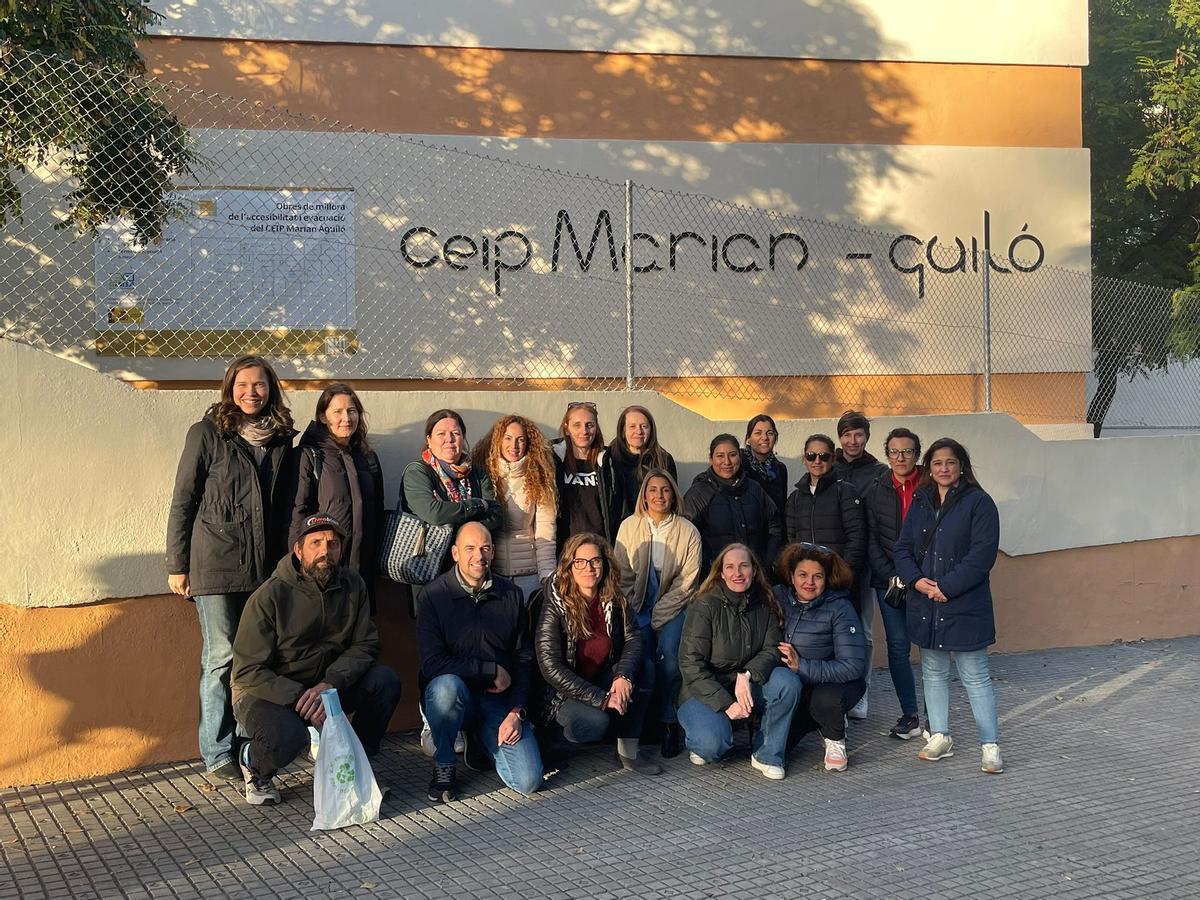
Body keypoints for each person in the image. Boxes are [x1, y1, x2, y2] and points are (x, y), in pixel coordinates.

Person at [166, 354, 296, 780]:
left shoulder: (279, 438)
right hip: (216, 565)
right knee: (220, 658)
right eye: (242, 385)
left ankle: (248, 740)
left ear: (270, 389)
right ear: (229, 389)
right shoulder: (206, 434)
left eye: (259, 385)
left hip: (263, 569)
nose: (250, 393)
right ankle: (217, 751)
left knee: (254, 659)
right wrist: (177, 563)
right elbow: (184, 500)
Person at [231, 514, 402, 805]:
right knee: (286, 738)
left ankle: (356, 763)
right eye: (316, 543)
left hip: (326, 686)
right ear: (298, 551)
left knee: (384, 682)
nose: (325, 551)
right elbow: (248, 670)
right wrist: (300, 696)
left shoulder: (353, 585)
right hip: (267, 691)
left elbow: (366, 645)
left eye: (333, 544)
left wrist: (329, 684)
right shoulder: (269, 596)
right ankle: (251, 762)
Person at [894, 437, 1003, 774]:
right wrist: (917, 581)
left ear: (961, 466)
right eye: (937, 463)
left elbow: (982, 556)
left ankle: (990, 744)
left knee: (975, 675)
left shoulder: (979, 503)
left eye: (950, 463)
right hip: (927, 603)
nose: (943, 468)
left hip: (964, 604)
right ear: (929, 466)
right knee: (933, 671)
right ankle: (940, 735)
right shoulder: (921, 501)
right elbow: (903, 549)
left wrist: (947, 588)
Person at [418, 522, 544, 803]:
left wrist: (517, 711)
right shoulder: (432, 596)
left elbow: (524, 659)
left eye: (485, 548)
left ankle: (479, 742)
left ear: (494, 551)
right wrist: (488, 671)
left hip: (496, 702)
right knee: (446, 688)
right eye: (470, 548)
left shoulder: (511, 594)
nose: (479, 556)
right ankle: (445, 764)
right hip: (452, 697)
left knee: (528, 781)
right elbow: (431, 663)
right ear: (454, 553)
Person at [532, 533, 662, 775]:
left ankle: (627, 751)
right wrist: (602, 699)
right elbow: (550, 666)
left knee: (644, 669)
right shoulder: (554, 602)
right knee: (594, 724)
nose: (588, 568)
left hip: (598, 676)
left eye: (595, 561)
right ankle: (550, 741)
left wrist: (623, 676)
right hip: (560, 693)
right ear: (569, 566)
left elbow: (634, 637)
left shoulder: (613, 596)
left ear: (604, 564)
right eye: (579, 562)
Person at [677, 544, 801, 780]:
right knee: (713, 747)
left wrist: (747, 675)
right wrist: (726, 704)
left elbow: (772, 648)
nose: (738, 573)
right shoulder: (704, 606)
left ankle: (767, 754)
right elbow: (691, 665)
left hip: (746, 682)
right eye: (730, 567)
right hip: (703, 689)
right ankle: (701, 737)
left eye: (744, 566)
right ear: (721, 573)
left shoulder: (765, 603)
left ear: (754, 570)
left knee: (788, 681)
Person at [613, 469, 702, 758]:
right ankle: (641, 727)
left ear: (673, 494)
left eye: (665, 490)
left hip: (675, 605)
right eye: (653, 489)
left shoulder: (688, 531)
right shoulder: (629, 526)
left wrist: (659, 614)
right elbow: (622, 573)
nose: (659, 495)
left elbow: (689, 580)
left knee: (669, 661)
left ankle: (669, 723)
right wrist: (636, 610)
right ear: (644, 495)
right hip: (637, 605)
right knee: (644, 662)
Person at [288, 384, 384, 610]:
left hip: (361, 571)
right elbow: (296, 513)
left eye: (352, 411)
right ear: (323, 416)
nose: (346, 418)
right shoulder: (309, 455)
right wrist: (294, 566)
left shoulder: (368, 457)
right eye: (337, 412)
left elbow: (377, 511)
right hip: (321, 569)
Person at [774, 543, 867, 772]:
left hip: (835, 685)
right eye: (803, 575)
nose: (810, 583)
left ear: (827, 578)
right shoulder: (778, 597)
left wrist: (802, 666)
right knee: (774, 747)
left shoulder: (840, 608)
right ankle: (819, 719)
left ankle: (835, 737)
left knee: (823, 702)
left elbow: (853, 666)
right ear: (791, 576)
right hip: (795, 687)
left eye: (818, 576)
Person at [863, 427, 924, 740]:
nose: (901, 458)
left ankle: (938, 719)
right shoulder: (876, 488)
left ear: (917, 454)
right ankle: (910, 715)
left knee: (932, 648)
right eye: (895, 452)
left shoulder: (930, 485)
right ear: (887, 455)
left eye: (908, 452)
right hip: (889, 582)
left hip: (926, 581)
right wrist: (891, 573)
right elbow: (871, 538)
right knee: (899, 648)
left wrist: (921, 575)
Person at [832, 410, 888, 720]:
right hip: (832, 563)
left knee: (863, 631)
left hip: (866, 564)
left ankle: (860, 693)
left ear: (866, 437)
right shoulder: (829, 466)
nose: (853, 441)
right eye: (847, 434)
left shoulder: (878, 472)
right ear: (840, 437)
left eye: (859, 435)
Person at [401, 408, 503, 573]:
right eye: (441, 434)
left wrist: (460, 530)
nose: (449, 439)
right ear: (429, 439)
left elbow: (496, 514)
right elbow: (433, 513)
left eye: (455, 433)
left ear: (463, 438)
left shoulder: (477, 473)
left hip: (474, 565)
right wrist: (477, 505)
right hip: (429, 565)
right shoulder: (418, 472)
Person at [473, 414, 558, 601]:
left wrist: (547, 575)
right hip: (492, 572)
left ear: (529, 443)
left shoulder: (540, 478)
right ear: (497, 441)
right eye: (508, 438)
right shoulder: (482, 475)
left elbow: (546, 533)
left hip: (528, 574)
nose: (514, 446)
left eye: (521, 440)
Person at [683, 433, 783, 572]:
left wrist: (767, 561)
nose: (727, 462)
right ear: (711, 459)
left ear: (740, 457)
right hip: (716, 579)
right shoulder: (699, 493)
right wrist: (711, 566)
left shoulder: (754, 489)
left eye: (732, 455)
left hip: (754, 576)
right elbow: (687, 535)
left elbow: (775, 524)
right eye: (720, 456)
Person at [784, 433, 865, 572]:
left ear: (832, 459)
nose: (817, 461)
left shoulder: (846, 492)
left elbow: (857, 537)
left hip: (837, 576)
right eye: (811, 455)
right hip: (806, 578)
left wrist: (844, 570)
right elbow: (792, 540)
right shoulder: (795, 498)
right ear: (804, 459)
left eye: (824, 456)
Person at [604, 405, 678, 526]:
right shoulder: (609, 459)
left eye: (644, 426)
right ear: (623, 431)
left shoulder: (664, 460)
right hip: (618, 531)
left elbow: (671, 500)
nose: (639, 431)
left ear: (651, 430)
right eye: (632, 426)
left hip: (653, 528)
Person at [553, 401, 614, 546]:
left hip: (599, 547)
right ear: (567, 429)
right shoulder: (553, 459)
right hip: (563, 548)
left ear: (596, 429)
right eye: (577, 425)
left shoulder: (608, 462)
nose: (584, 431)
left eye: (590, 425)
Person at [741, 414, 789, 514]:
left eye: (770, 433)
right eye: (758, 433)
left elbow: (782, 506)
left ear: (775, 438)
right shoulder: (739, 464)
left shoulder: (780, 469)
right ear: (748, 438)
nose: (765, 438)